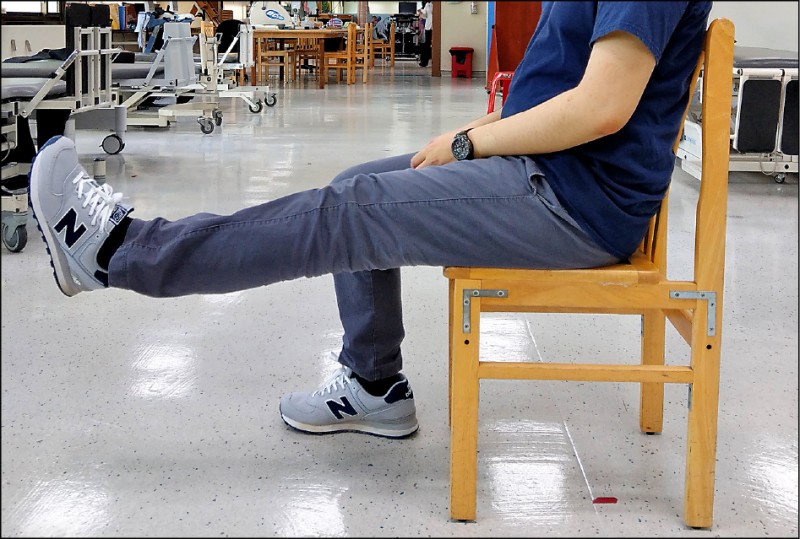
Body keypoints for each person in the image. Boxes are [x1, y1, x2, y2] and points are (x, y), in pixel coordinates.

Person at [28, 2, 712, 440]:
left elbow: (602, 107)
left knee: (344, 217)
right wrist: (473, 133)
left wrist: (468, 146)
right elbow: (552, 89)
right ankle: (374, 383)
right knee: (352, 185)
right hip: (546, 170)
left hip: (573, 200)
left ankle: (118, 253)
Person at [417, 1, 433, 67]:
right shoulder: (427, 4)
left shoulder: (437, 4)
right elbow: (425, 16)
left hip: (435, 27)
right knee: (426, 44)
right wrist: (421, 12)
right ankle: (424, 62)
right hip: (428, 27)